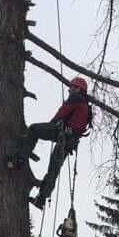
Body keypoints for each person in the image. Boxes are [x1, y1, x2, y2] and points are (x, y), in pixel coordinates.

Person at [22, 76, 91, 208]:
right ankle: (41, 199)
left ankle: (20, 157)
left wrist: (51, 124)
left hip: (61, 134)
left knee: (34, 129)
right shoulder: (86, 106)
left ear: (78, 88)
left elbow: (62, 113)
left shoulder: (76, 99)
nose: (69, 90)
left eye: (71, 87)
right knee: (53, 169)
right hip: (69, 142)